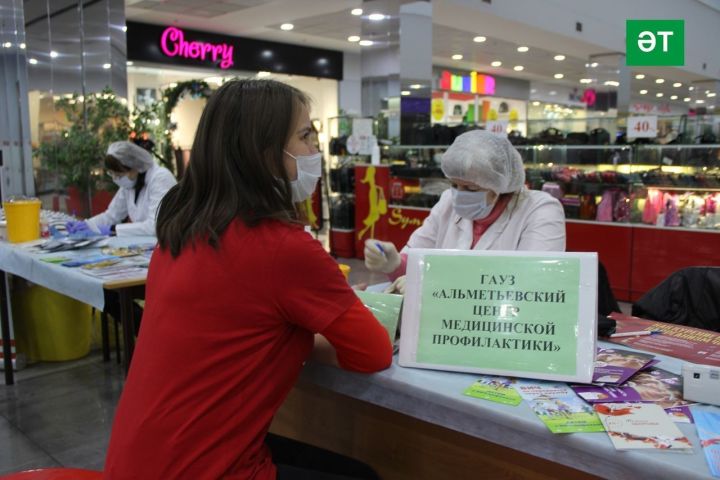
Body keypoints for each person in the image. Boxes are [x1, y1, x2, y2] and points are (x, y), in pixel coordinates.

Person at [103, 79, 393, 480]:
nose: (315, 151)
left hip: (139, 461)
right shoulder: (282, 246)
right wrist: (310, 328)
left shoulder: (182, 229)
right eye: (306, 136)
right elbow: (373, 352)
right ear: (264, 153)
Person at [364, 129, 565, 293]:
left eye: (471, 188)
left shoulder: (540, 210)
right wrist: (394, 264)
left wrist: (437, 285)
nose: (459, 194)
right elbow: (416, 260)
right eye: (454, 184)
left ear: (498, 187)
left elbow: (534, 284)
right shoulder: (448, 202)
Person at [69, 140, 176, 237]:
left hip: (167, 244)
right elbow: (112, 215)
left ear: (135, 167)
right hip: (146, 245)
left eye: (119, 175)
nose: (116, 179)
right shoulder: (130, 184)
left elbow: (154, 226)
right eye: (112, 174)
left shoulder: (160, 178)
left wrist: (111, 229)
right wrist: (87, 225)